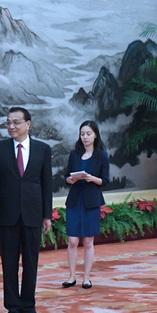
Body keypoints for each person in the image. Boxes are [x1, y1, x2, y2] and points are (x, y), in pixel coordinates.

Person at [0, 107, 52, 313]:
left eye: (16, 122)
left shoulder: (43, 149)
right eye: (8, 123)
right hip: (9, 214)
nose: (11, 127)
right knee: (10, 264)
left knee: (31, 263)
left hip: (33, 214)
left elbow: (46, 185)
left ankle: (28, 308)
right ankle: (12, 309)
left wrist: (46, 215)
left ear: (28, 124)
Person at [63, 121, 110, 289]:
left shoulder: (101, 156)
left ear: (95, 135)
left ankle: (86, 278)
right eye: (82, 134)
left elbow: (105, 180)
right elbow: (67, 176)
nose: (85, 137)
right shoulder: (74, 154)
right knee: (73, 240)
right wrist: (70, 179)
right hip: (75, 200)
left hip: (91, 201)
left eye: (88, 134)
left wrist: (92, 178)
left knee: (88, 241)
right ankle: (71, 276)